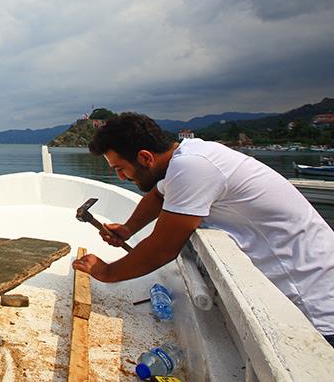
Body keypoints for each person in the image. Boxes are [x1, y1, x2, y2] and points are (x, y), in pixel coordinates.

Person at [72, 112, 334, 346]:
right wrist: (128, 228)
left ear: (145, 157)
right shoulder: (189, 156)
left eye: (120, 169)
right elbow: (158, 196)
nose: (121, 177)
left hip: (313, 305)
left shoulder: (192, 168)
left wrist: (106, 272)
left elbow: (161, 250)